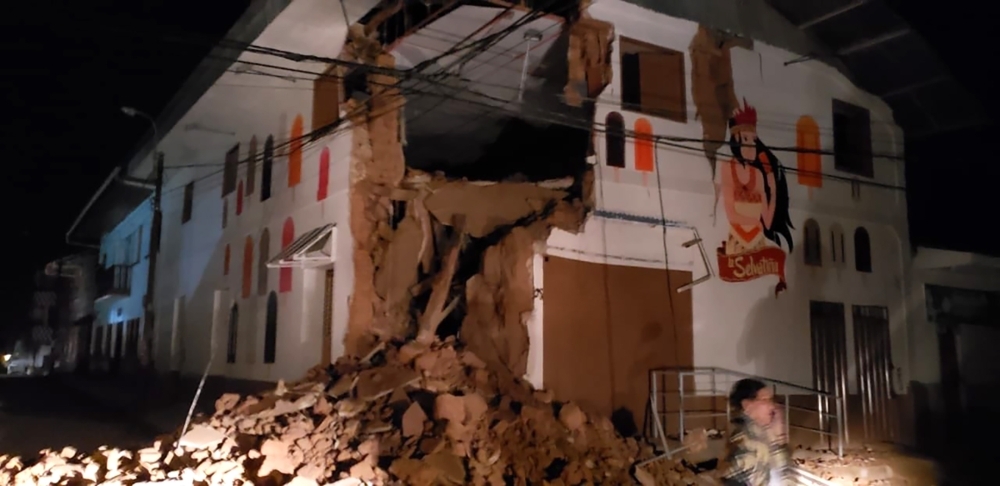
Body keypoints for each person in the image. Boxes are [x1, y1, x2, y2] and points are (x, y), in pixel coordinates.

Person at [719, 378, 790, 486]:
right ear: (747, 404)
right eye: (765, 400)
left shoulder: (763, 433)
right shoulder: (744, 439)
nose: (772, 406)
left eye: (771, 400)